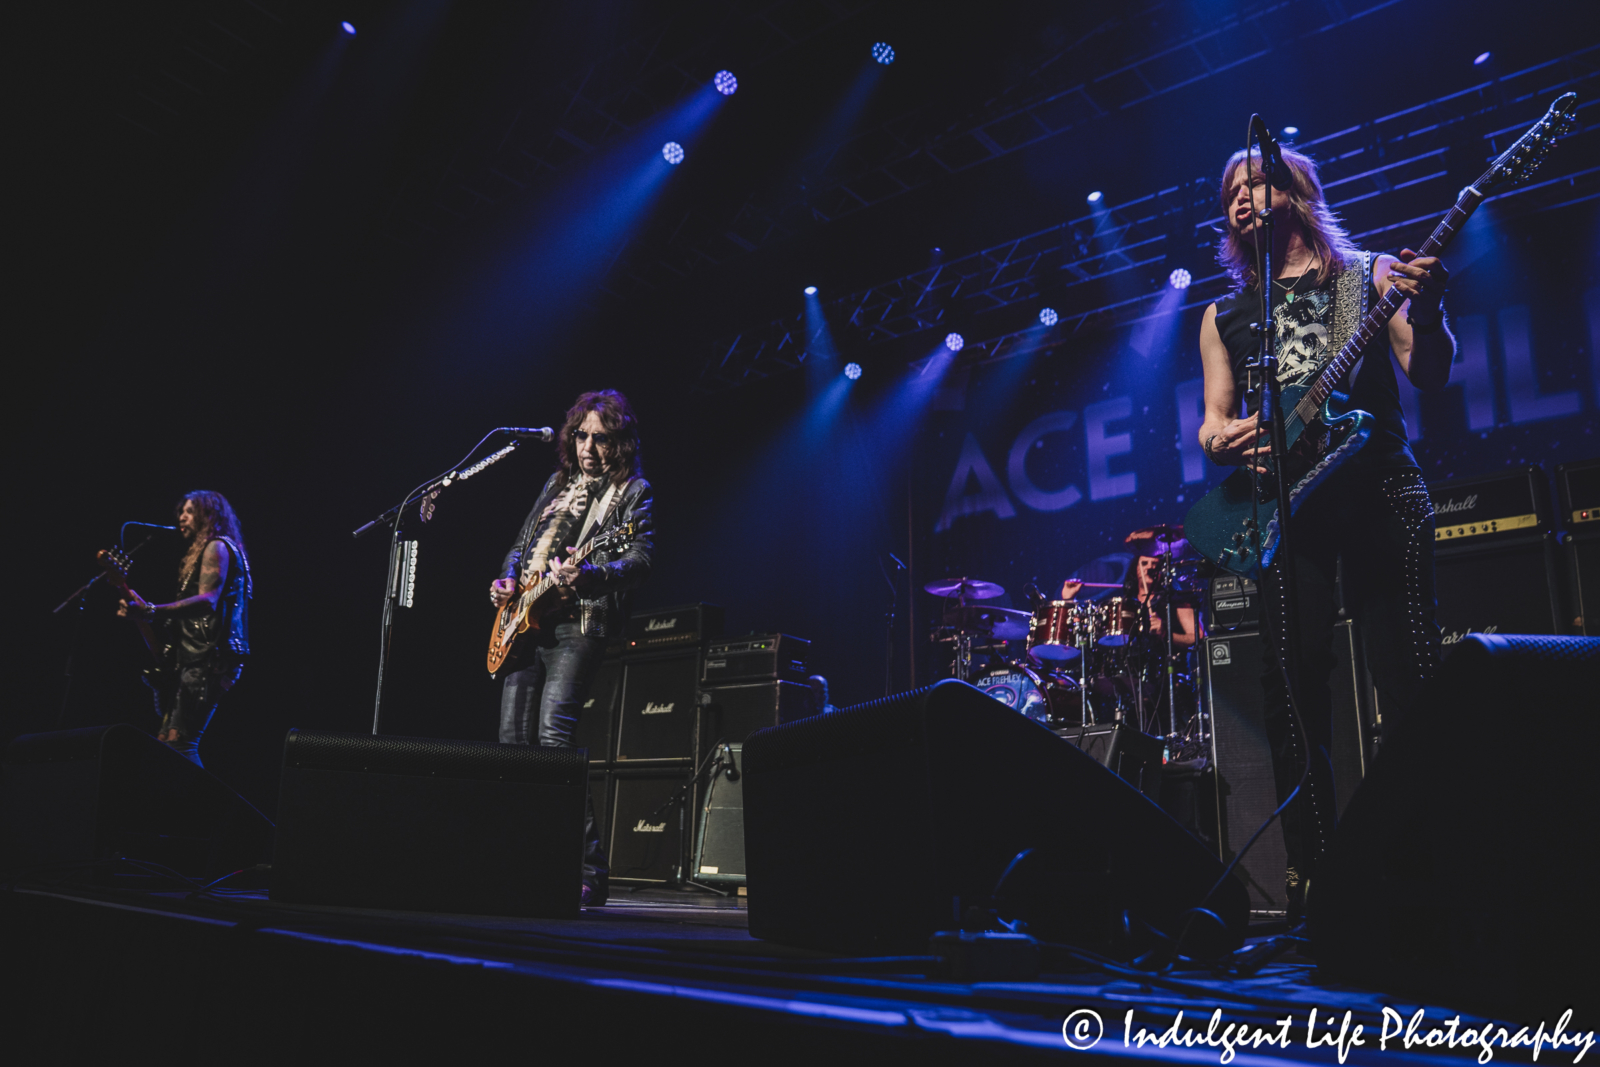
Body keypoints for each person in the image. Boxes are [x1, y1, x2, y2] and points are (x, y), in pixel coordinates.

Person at [1195, 143, 1454, 922]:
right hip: (1289, 510)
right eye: (1231, 191)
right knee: (1293, 695)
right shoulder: (1223, 316)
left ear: (1298, 192)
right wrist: (1222, 440)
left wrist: (1429, 311)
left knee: (1407, 671)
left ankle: (1430, 865)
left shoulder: (1369, 275)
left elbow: (1429, 371)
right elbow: (1211, 420)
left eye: (1256, 182)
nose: (1242, 198)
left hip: (1379, 487)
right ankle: (1316, 881)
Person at [489, 390, 654, 907]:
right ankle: (525, 860)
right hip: (524, 623)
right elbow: (519, 546)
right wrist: (506, 581)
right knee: (513, 745)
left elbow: (641, 558)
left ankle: (588, 870)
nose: (588, 448)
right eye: (581, 436)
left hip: (579, 623)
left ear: (619, 442)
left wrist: (590, 576)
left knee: (553, 739)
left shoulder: (632, 492)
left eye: (600, 439)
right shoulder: (555, 484)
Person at [118, 491, 252, 767]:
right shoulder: (202, 552)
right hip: (195, 657)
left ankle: (200, 796)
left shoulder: (217, 546)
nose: (181, 517)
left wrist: (151, 610)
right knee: (167, 743)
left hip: (210, 657)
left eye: (190, 511)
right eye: (181, 511)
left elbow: (208, 601)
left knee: (181, 743)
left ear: (208, 515)